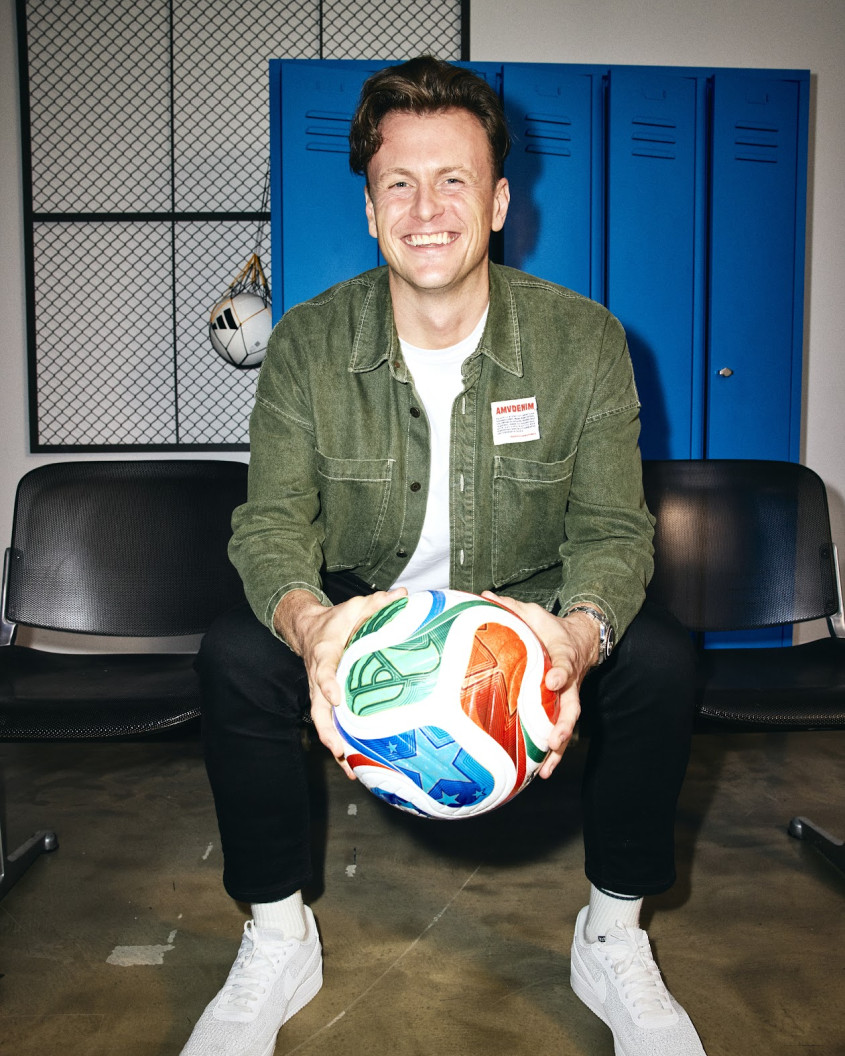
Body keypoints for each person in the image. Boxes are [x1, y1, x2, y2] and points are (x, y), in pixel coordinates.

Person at [182, 56, 705, 1056]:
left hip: (532, 601)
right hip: (358, 601)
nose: (427, 208)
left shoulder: (585, 341)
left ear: (499, 200)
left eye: (453, 179)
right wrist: (311, 624)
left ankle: (613, 930)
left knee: (661, 658)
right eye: (399, 184)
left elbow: (611, 530)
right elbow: (271, 527)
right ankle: (277, 931)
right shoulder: (303, 342)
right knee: (233, 654)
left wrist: (578, 636)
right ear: (370, 210)